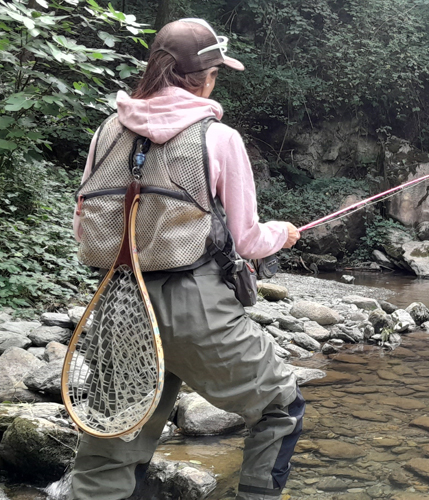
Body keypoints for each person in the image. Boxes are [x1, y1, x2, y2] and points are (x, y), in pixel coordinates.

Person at [71, 18, 305, 500]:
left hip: (117, 305)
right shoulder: (219, 139)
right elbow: (248, 241)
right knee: (280, 404)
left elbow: (84, 224)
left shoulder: (105, 132)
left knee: (113, 445)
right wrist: (284, 233)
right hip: (195, 306)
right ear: (207, 76)